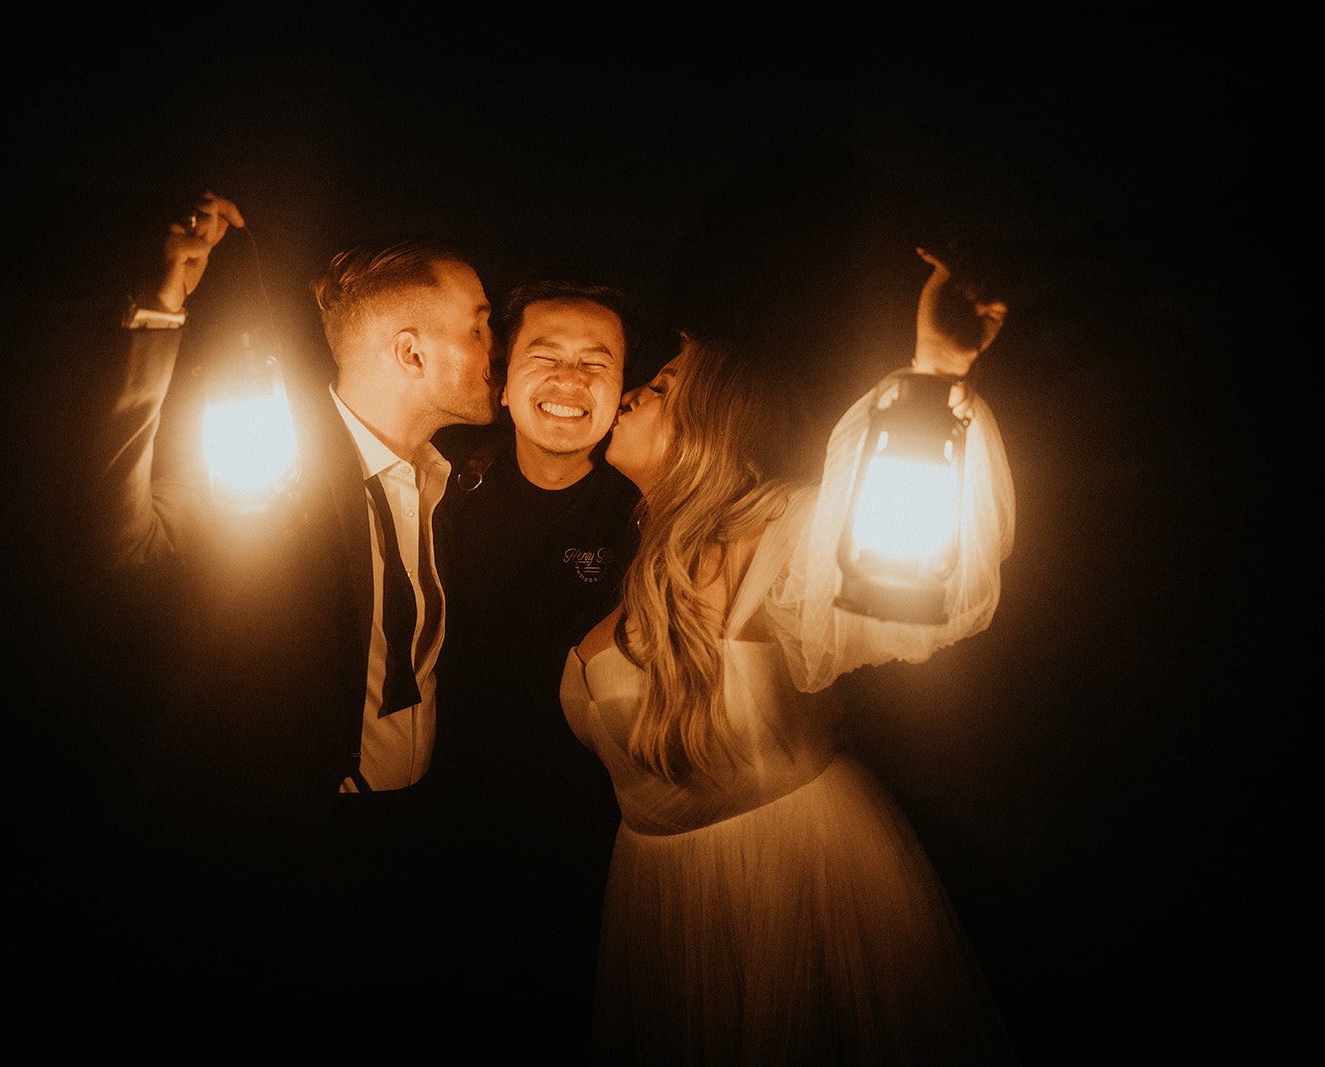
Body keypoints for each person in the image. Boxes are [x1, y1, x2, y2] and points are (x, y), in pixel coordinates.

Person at [561, 247, 1018, 1063]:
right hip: (659, 908)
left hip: (794, 888)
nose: (634, 389)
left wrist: (934, 367)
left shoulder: (779, 537)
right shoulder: (626, 566)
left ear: (715, 421)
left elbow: (902, 578)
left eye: (663, 386)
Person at [88, 191, 498, 1037]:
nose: (501, 346)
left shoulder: (456, 482)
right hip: (293, 856)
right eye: (482, 325)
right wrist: (160, 315)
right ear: (411, 352)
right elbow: (115, 542)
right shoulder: (268, 462)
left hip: (422, 843)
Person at [427, 275, 644, 1054]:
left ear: (623, 388)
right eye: (545, 355)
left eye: (597, 362)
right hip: (448, 824)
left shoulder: (645, 511)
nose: (570, 379)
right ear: (503, 375)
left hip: (598, 836)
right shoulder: (444, 483)